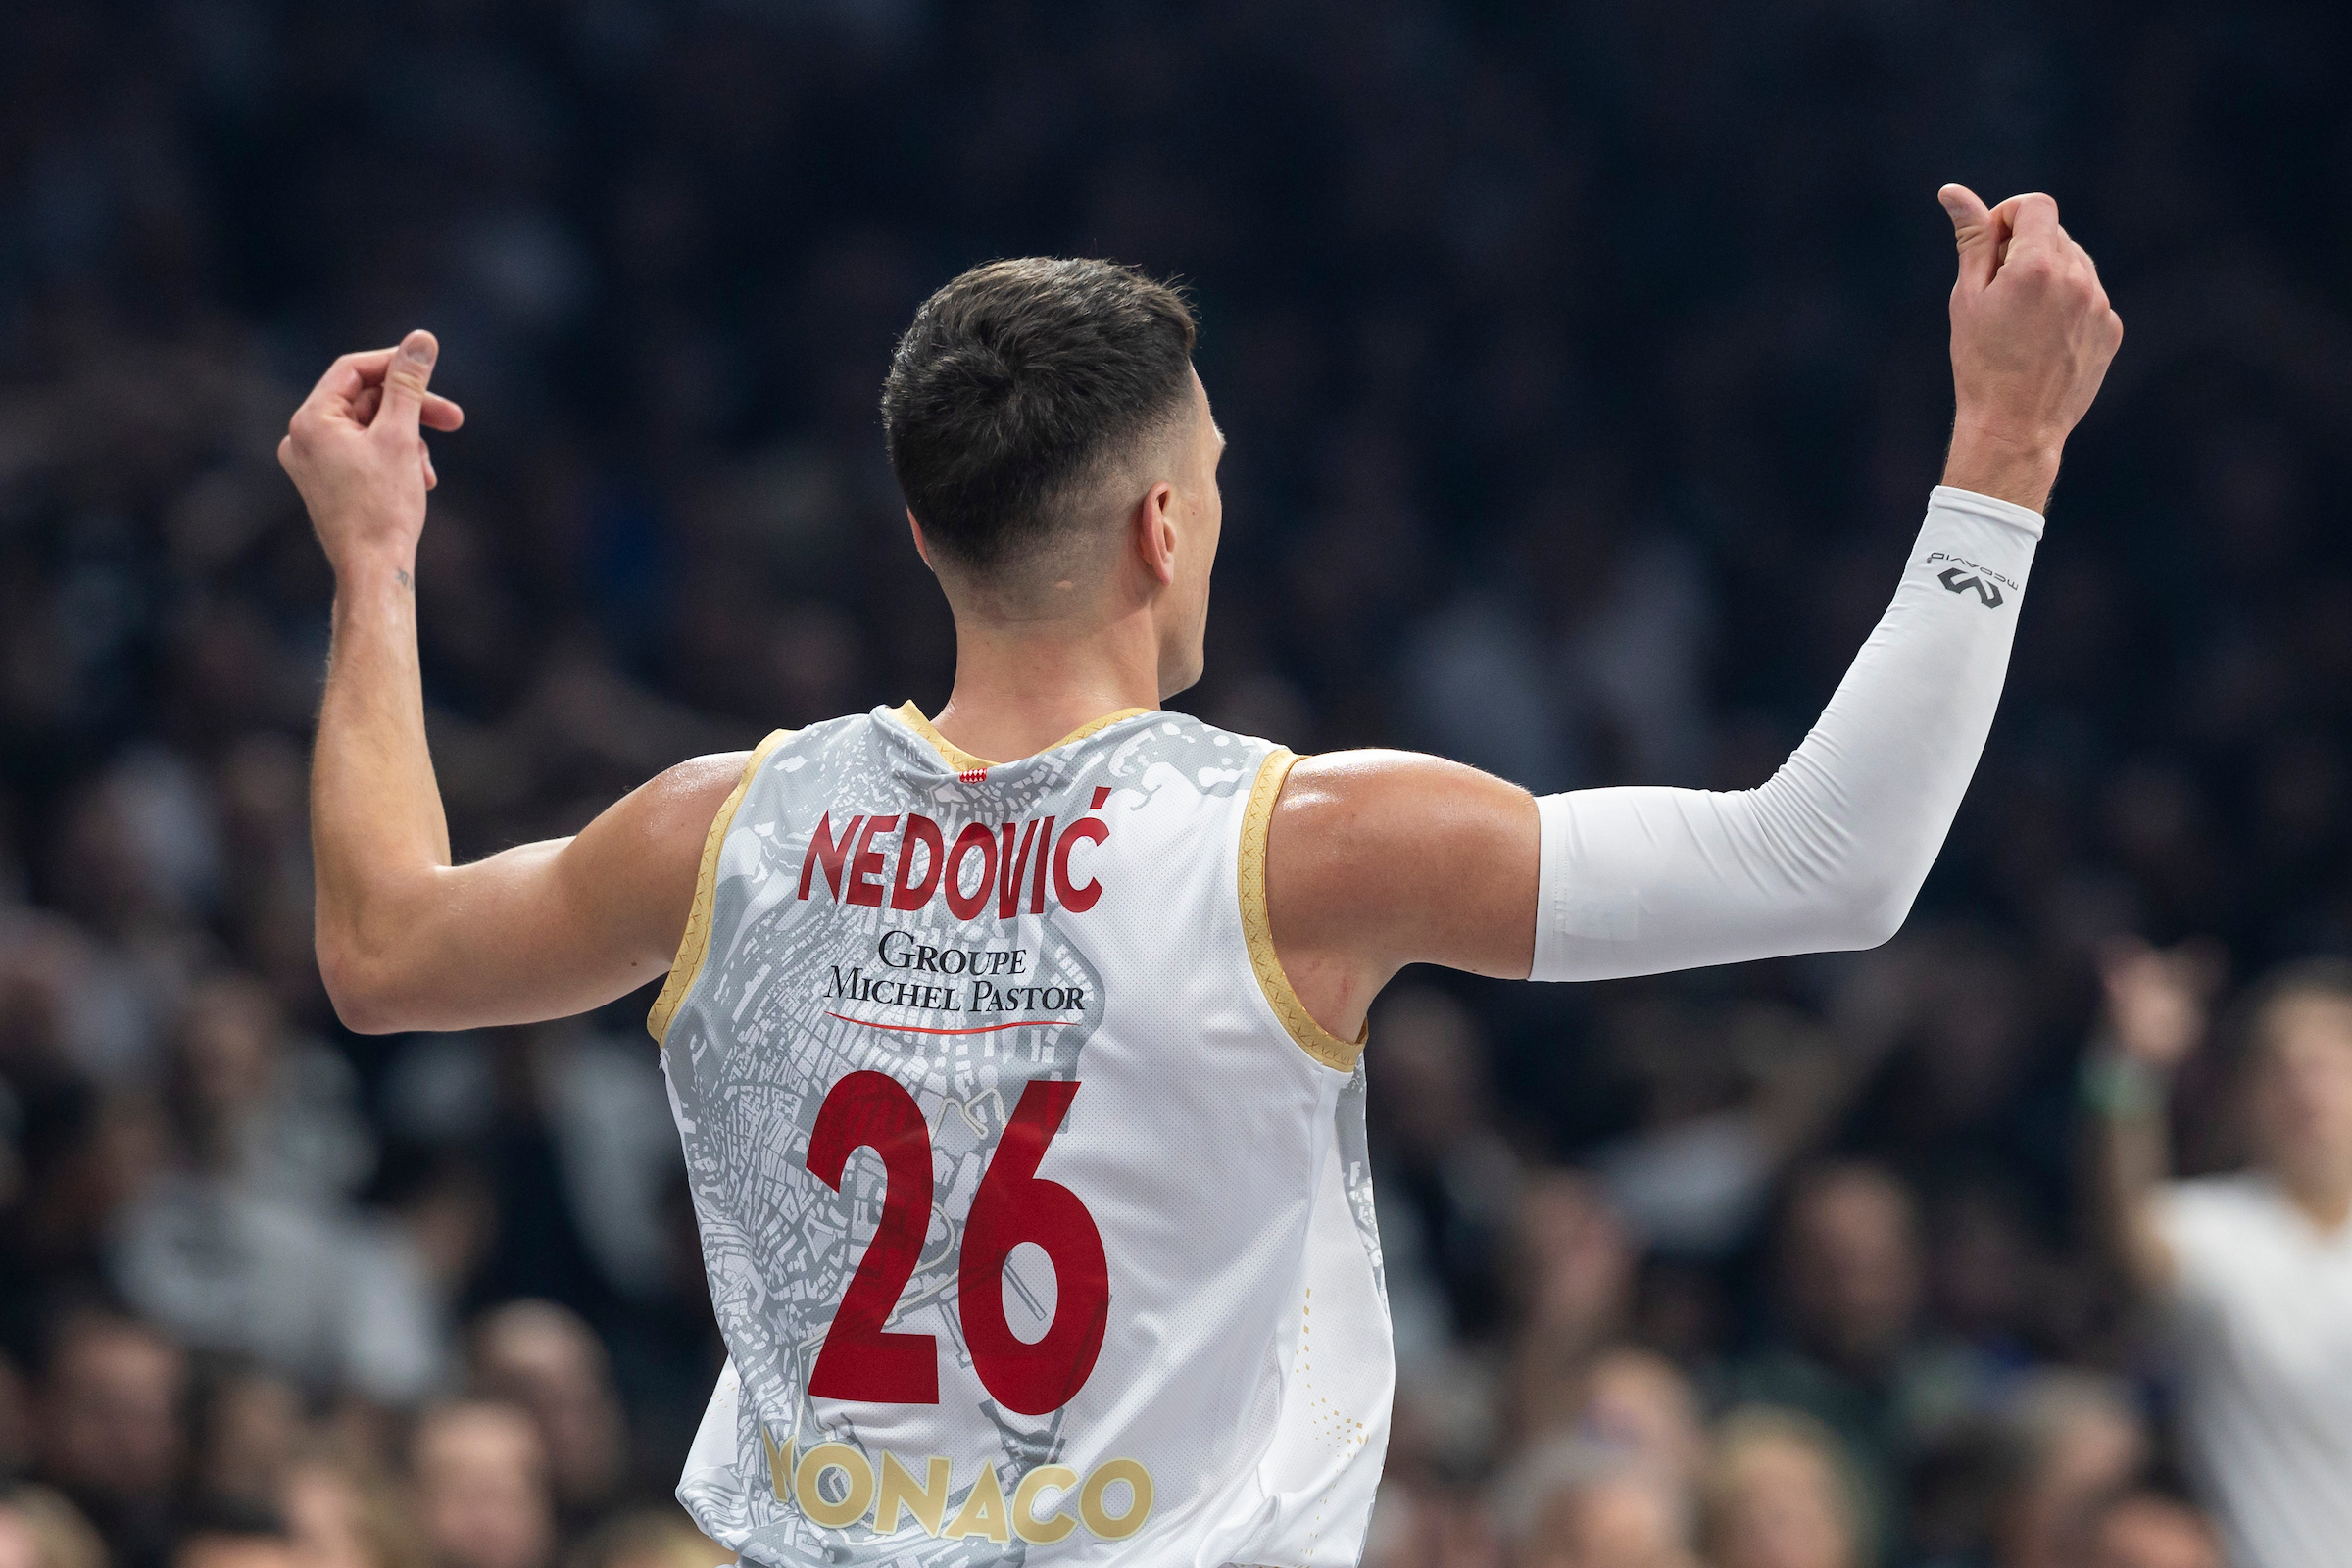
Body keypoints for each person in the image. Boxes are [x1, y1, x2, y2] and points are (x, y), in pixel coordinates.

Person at [277, 182, 2119, 1565]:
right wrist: (2005, 449)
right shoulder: (1300, 847)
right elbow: (1830, 860)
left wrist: (374, 566)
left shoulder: (720, 829)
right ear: (1167, 524)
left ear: (926, 526)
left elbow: (379, 949)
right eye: (1215, 476)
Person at [2087, 943, 2352, 1568]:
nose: (2304, 1086)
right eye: (2280, 1067)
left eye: (2327, 1062)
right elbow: (2131, 1238)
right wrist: (2127, 1069)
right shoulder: (2217, 1232)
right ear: (2248, 1096)